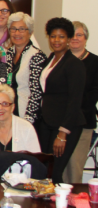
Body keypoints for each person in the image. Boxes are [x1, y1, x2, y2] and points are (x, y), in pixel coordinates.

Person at [37, 17, 86, 184]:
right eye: (53, 36)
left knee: (55, 173)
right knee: (45, 171)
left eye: (61, 37)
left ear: (69, 39)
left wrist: (62, 134)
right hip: (47, 122)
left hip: (65, 126)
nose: (56, 40)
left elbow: (75, 101)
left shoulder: (74, 64)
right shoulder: (50, 59)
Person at [64, 21, 98, 183]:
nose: (75, 38)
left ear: (86, 38)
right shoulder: (59, 59)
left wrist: (72, 114)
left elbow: (92, 96)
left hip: (82, 123)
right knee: (58, 167)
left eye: (79, 35)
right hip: (59, 123)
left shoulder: (95, 63)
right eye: (72, 35)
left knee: (74, 168)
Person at [4, 13, 45, 123]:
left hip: (27, 116)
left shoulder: (36, 57)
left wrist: (28, 119)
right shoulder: (9, 53)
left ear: (30, 32)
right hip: (10, 114)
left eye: (22, 29)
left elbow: (36, 93)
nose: (17, 33)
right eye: (13, 29)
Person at [0, 84, 41, 153]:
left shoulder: (26, 128)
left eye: (5, 104)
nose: (0, 108)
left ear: (12, 107)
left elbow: (35, 160)